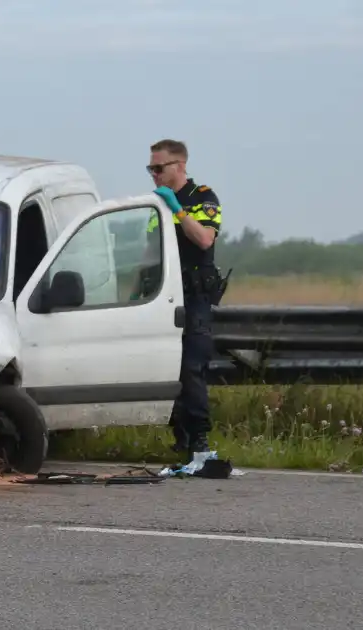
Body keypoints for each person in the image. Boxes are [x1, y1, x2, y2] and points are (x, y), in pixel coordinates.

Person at [144, 139, 225, 454]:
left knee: (192, 368)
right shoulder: (156, 204)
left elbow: (205, 239)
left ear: (179, 166)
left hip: (194, 299)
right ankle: (180, 439)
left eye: (158, 168)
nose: (154, 174)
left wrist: (177, 210)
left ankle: (200, 440)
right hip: (162, 296)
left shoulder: (202, 197)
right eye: (150, 168)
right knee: (169, 368)